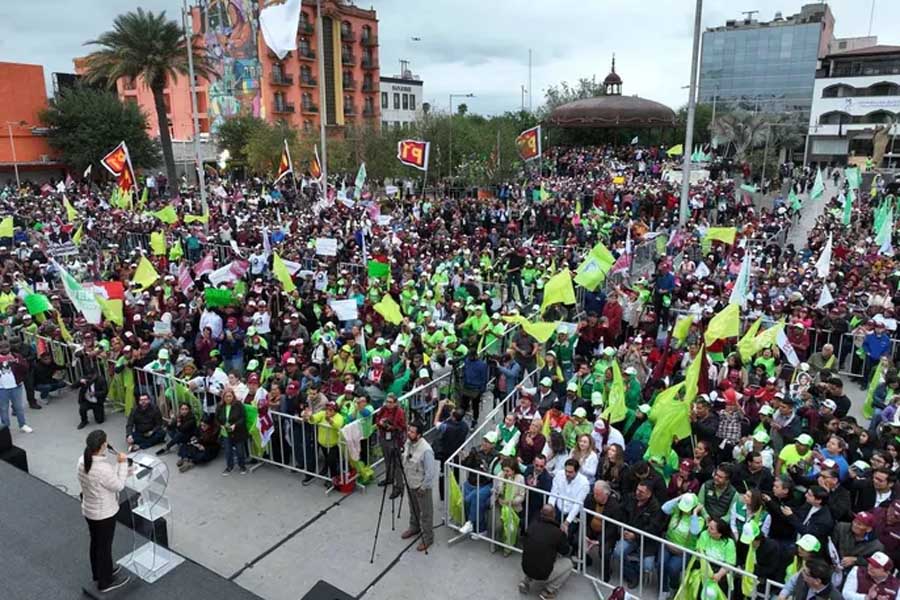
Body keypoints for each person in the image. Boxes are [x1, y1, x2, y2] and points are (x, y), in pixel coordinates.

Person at [77, 430, 131, 593]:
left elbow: (102, 480)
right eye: (106, 443)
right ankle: (105, 582)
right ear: (102, 445)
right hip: (103, 514)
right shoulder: (101, 468)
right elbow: (119, 486)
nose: (108, 445)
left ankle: (100, 573)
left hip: (89, 510)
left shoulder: (82, 460)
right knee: (104, 547)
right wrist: (122, 464)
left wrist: (115, 469)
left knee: (96, 544)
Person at [519, 504, 573, 600]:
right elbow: (565, 551)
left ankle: (525, 581)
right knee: (569, 564)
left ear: (541, 513)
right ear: (554, 515)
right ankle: (548, 591)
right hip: (543, 573)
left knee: (535, 552)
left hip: (526, 567)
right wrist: (565, 535)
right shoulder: (557, 532)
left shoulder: (532, 525)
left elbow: (525, 541)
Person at [400, 422, 436, 552]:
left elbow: (430, 472)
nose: (409, 433)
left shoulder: (426, 450)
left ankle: (428, 538)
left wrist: (423, 487)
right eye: (409, 431)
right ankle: (414, 527)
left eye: (412, 432)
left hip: (421, 487)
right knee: (413, 508)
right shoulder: (408, 443)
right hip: (410, 483)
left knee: (426, 513)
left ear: (419, 435)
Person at [0, 340, 31, 433]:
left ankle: (23, 424)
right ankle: (6, 427)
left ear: (9, 347)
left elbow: (25, 368)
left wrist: (16, 362)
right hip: (2, 388)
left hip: (16, 386)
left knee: (19, 407)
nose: (4, 349)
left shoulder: (16, 356)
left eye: (6, 347)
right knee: (3, 408)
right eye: (1, 347)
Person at [216, 389, 248, 475]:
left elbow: (243, 418)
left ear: (233, 396)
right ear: (223, 397)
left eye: (230, 396)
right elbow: (216, 419)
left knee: (239, 450)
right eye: (226, 396)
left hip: (238, 431)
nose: (228, 398)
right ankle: (229, 466)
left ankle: (242, 466)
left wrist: (235, 425)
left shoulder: (238, 405)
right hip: (225, 432)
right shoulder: (220, 406)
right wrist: (220, 425)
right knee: (227, 450)